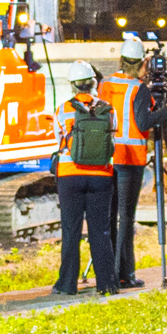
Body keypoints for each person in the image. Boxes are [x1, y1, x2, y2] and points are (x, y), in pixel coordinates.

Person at [52, 70, 123, 293]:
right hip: (101, 175)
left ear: (73, 85)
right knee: (101, 231)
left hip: (70, 175)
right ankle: (107, 283)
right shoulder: (109, 109)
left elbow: (59, 140)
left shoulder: (63, 109)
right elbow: (113, 136)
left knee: (71, 230)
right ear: (93, 83)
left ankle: (67, 284)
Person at [107, 49, 167, 288]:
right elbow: (143, 122)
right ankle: (124, 274)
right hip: (130, 159)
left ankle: (108, 271)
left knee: (112, 217)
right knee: (127, 218)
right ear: (144, 62)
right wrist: (166, 108)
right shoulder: (139, 89)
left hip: (109, 158)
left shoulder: (105, 84)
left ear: (121, 60)